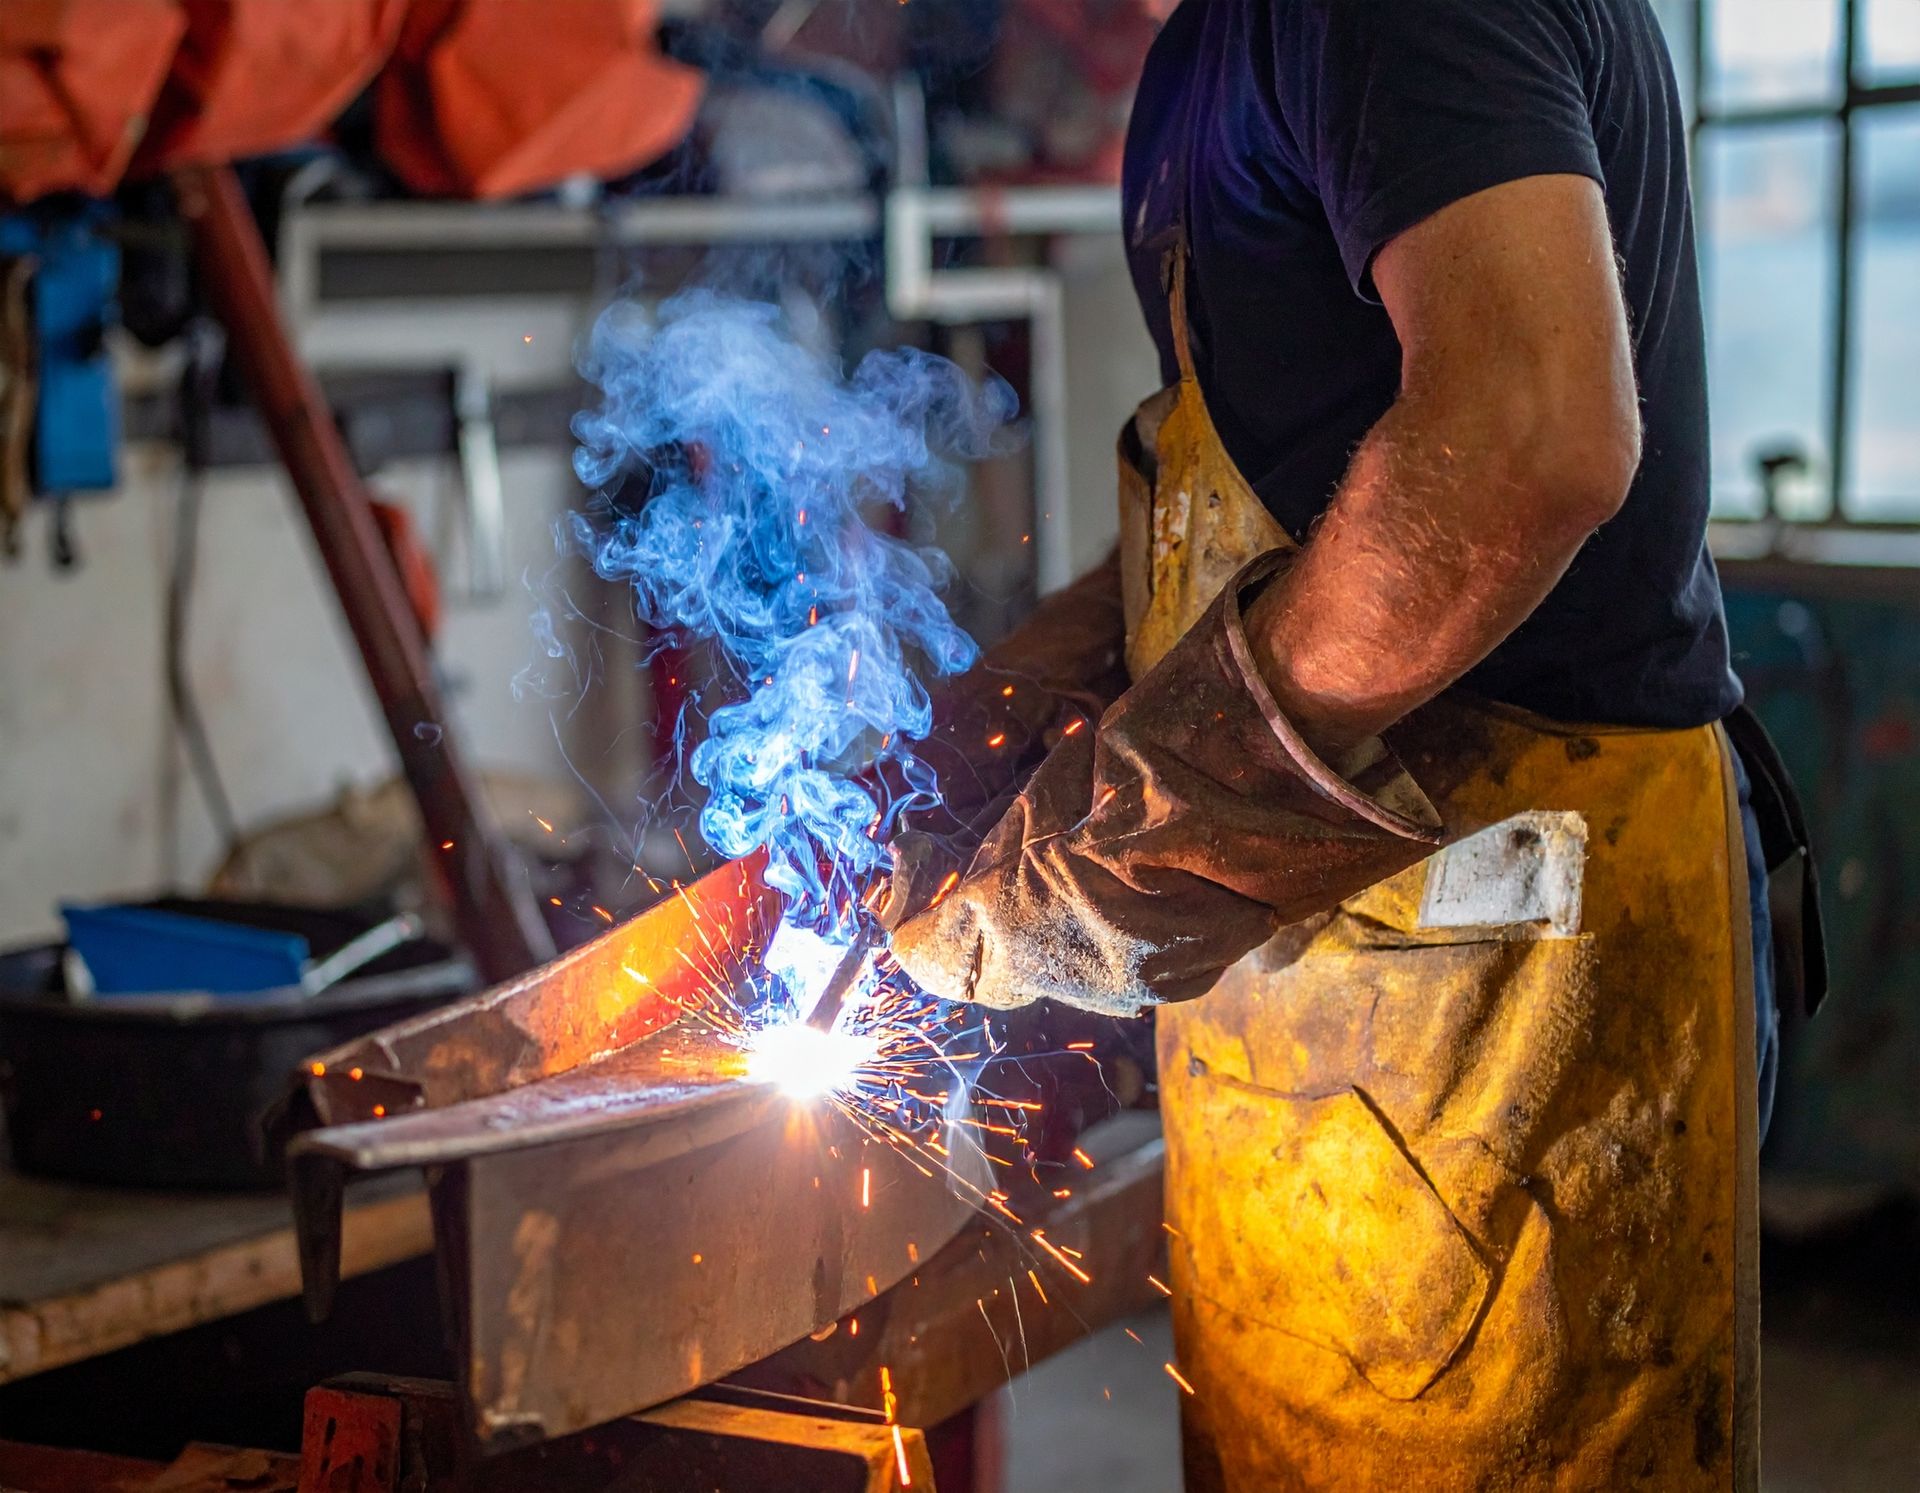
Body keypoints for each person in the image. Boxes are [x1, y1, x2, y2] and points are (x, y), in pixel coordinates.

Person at [885, 2, 1821, 1488]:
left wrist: (1128, 832)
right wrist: (990, 720)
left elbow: (1530, 434)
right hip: (1333, 1011)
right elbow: (1283, 489)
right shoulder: (1224, 45)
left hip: (1511, 985)